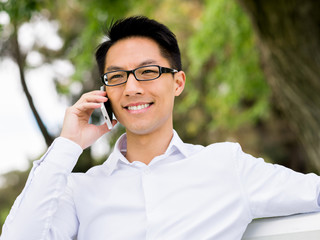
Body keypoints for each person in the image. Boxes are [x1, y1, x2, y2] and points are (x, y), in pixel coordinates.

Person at [1, 16, 320, 240]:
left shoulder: (226, 166)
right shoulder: (80, 190)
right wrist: (68, 144)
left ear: (178, 82)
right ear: (105, 92)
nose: (132, 88)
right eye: (117, 77)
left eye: (148, 71)